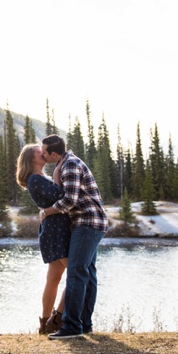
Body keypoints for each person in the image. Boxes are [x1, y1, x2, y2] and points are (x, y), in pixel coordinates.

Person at [39, 134, 109, 339]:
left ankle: (71, 326)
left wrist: (47, 212)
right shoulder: (66, 163)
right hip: (90, 223)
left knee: (76, 272)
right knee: (87, 272)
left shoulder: (69, 165)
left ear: (53, 153)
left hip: (87, 223)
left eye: (44, 152)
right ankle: (84, 324)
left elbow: (69, 200)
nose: (43, 156)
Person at [15, 143, 71, 335]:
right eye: (40, 153)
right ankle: (57, 318)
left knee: (54, 278)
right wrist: (57, 176)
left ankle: (45, 323)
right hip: (55, 232)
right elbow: (62, 195)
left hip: (56, 229)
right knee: (76, 273)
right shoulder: (34, 180)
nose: (44, 154)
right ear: (32, 159)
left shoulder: (41, 178)